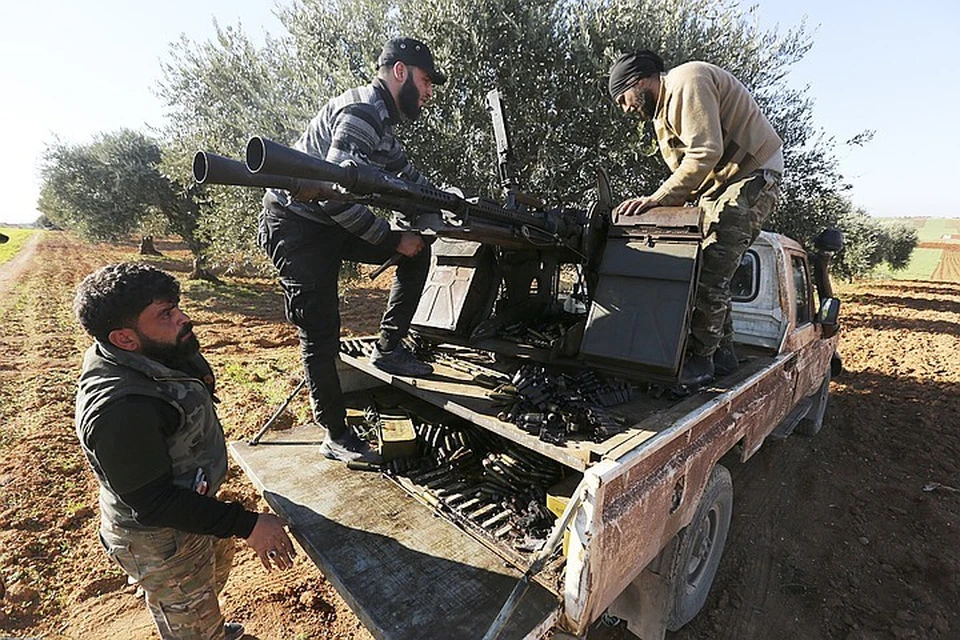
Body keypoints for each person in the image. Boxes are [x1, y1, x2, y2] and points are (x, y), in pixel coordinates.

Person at [74, 263, 296, 640]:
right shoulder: (121, 409)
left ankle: (207, 626)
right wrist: (248, 525)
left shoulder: (157, 352)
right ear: (125, 339)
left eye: (176, 306)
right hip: (158, 536)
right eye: (165, 314)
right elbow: (154, 502)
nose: (184, 318)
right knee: (189, 622)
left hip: (188, 508)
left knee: (203, 589)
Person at [259, 37, 446, 462]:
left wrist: (446, 200)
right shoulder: (361, 114)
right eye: (426, 80)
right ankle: (336, 434)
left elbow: (407, 175)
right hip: (297, 226)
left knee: (420, 252)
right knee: (321, 329)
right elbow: (332, 196)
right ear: (400, 72)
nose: (430, 91)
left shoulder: (382, 122)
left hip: (329, 221)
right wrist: (391, 238)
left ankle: (389, 349)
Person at [608, 50, 783, 386]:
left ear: (640, 81)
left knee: (711, 267)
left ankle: (701, 362)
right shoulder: (662, 115)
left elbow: (706, 152)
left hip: (753, 175)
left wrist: (655, 199)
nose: (626, 109)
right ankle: (723, 354)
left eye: (623, 99)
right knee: (707, 265)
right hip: (724, 184)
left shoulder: (688, 80)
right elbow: (686, 172)